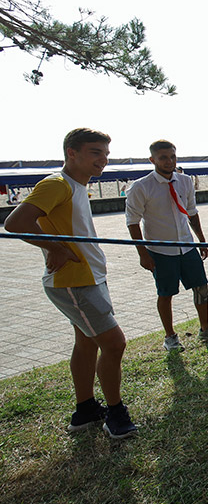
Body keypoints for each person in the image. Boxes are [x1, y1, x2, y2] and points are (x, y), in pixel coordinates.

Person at [3, 128, 137, 439]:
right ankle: (115, 414)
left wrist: (58, 246)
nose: (103, 159)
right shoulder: (57, 184)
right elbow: (15, 222)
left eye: (106, 154)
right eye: (95, 152)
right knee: (114, 344)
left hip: (89, 277)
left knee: (87, 342)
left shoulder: (76, 186)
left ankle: (85, 410)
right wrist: (56, 248)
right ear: (71, 153)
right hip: (75, 282)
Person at [125, 140, 208, 352]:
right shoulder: (141, 187)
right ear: (152, 160)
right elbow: (132, 222)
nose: (169, 161)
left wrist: (201, 239)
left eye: (172, 156)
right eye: (163, 157)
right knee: (166, 293)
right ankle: (170, 336)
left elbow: (191, 212)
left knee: (201, 286)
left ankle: (206, 328)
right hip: (161, 251)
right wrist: (143, 254)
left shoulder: (185, 181)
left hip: (187, 246)